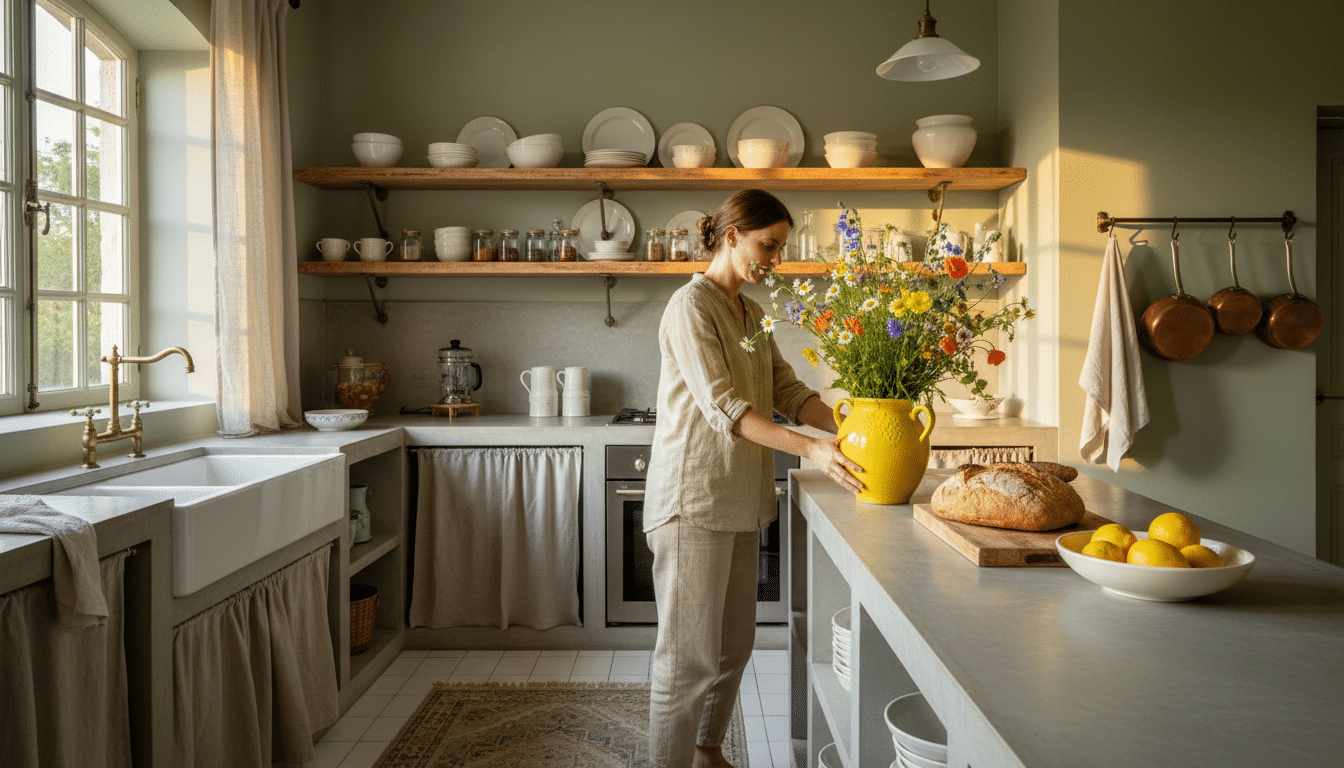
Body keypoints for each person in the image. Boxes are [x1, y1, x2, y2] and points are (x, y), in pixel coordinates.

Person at [643, 189, 864, 768]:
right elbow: (727, 409)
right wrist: (813, 451)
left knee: (733, 648)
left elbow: (787, 390)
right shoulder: (690, 306)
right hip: (693, 502)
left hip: (740, 503)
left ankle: (706, 749)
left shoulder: (752, 314)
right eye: (768, 245)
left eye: (782, 249)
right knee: (686, 660)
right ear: (732, 235)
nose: (775, 259)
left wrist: (848, 422)